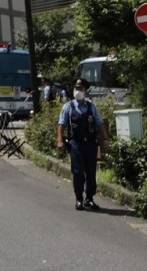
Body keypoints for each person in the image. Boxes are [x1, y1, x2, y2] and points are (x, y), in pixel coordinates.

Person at [57, 77, 109, 211]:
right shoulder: (68, 106)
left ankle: (89, 199)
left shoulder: (91, 106)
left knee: (91, 172)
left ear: (85, 90)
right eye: (76, 88)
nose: (78, 90)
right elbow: (61, 124)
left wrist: (105, 139)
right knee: (78, 172)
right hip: (75, 144)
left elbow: (99, 123)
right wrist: (60, 140)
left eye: (80, 88)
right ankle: (79, 198)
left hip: (90, 144)